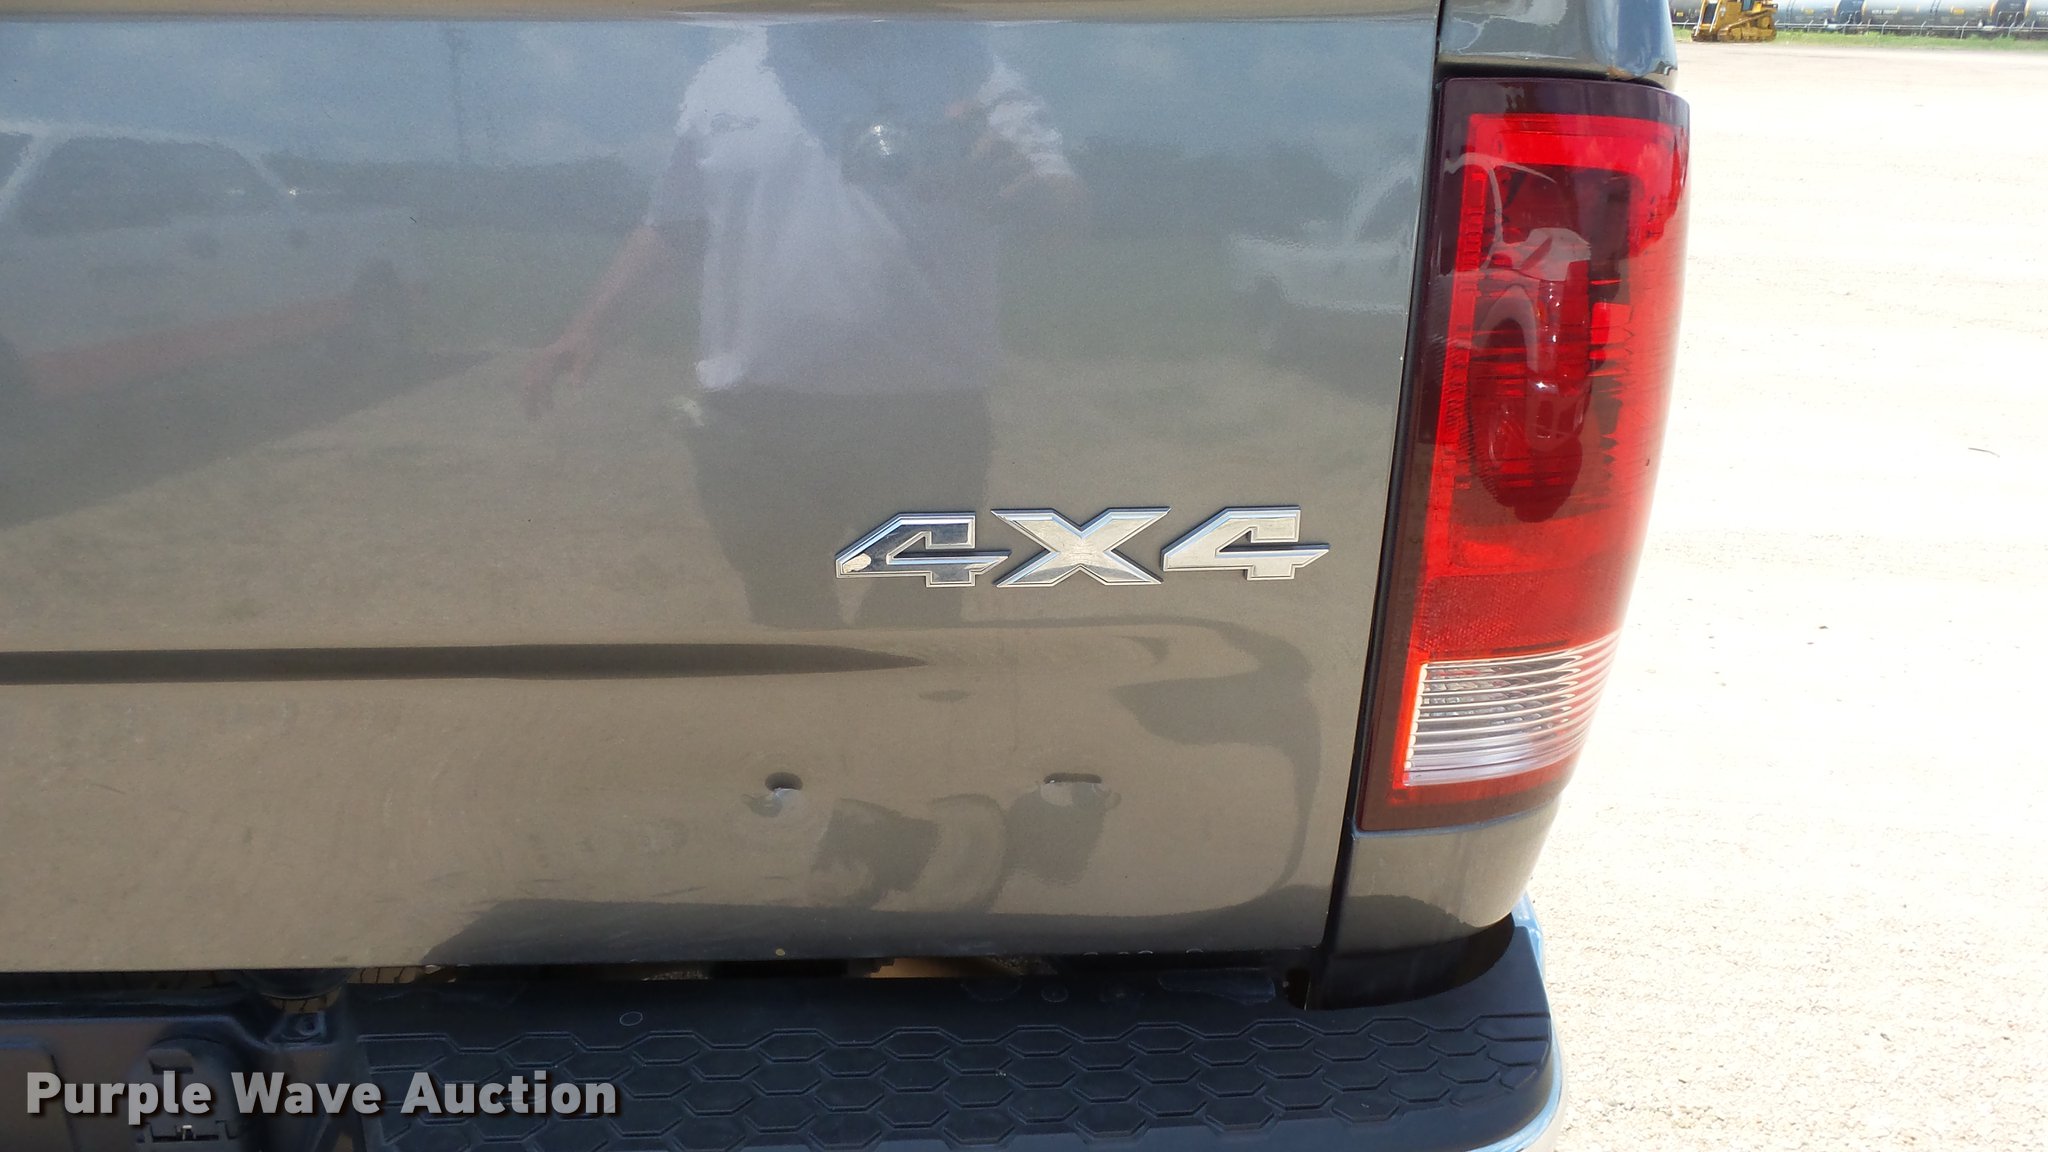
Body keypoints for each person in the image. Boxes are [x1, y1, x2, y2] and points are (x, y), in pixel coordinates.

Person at [524, 22, 1083, 628]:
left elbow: (1066, 209)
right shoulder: (724, 77)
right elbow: (677, 224)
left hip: (927, 423)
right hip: (757, 423)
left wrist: (1022, 191)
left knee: (919, 627)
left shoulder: (964, 63)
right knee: (787, 622)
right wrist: (589, 328)